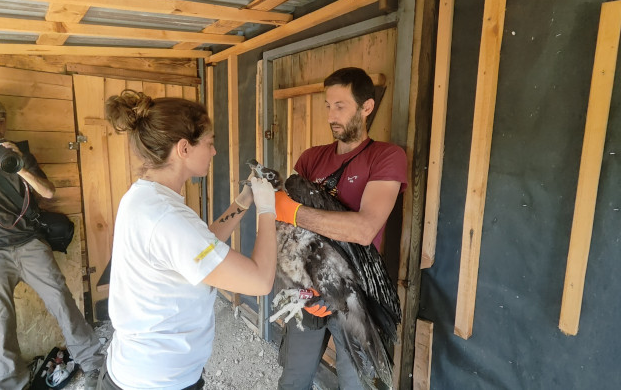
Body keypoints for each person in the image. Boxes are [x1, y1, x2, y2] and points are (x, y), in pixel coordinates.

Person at [99, 90, 277, 390]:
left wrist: (244, 201)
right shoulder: (169, 219)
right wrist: (268, 208)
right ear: (184, 148)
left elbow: (199, 246)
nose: (214, 151)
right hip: (157, 382)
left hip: (139, 372)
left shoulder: (145, 197)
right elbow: (260, 281)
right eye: (209, 143)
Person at [273, 67, 408, 389]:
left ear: (366, 107)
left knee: (355, 382)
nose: (332, 115)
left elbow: (363, 230)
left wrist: (293, 212)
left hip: (353, 291)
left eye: (341, 106)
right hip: (307, 288)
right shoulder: (311, 158)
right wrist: (302, 287)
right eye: (328, 105)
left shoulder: (385, 156)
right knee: (294, 376)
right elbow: (288, 237)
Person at [0, 97, 104, 389]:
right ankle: (10, 384)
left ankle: (94, 365)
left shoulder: (18, 154)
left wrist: (21, 168)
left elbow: (49, 192)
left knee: (62, 300)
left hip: (29, 243)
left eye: (0, 120)